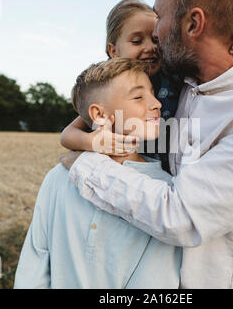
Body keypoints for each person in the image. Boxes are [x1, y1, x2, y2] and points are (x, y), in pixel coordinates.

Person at [62, 0, 233, 289]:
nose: (154, 34)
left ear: (194, 24)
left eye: (159, 18)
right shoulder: (184, 74)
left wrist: (85, 165)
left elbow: (180, 216)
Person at [14, 58, 182, 289]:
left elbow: (156, 282)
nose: (156, 104)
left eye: (153, 93)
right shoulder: (59, 176)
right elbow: (34, 262)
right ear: (99, 114)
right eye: (138, 97)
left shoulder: (164, 193)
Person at [60, 0, 233, 173]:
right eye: (136, 41)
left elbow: (212, 49)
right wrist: (92, 142)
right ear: (113, 50)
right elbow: (69, 134)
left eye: (155, 39)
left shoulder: (172, 72)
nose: (150, 47)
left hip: (170, 177)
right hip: (129, 172)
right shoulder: (111, 90)